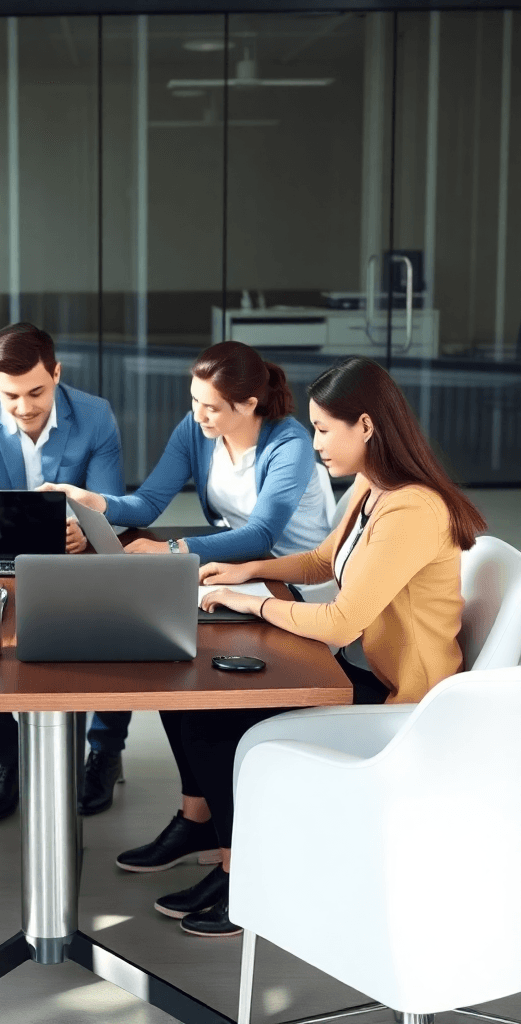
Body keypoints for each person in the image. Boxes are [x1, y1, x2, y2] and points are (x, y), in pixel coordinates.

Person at [154, 356, 486, 936]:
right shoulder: (373, 486)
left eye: (324, 430)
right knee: (198, 703)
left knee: (215, 721)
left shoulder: (412, 507)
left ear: (366, 426)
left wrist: (253, 602)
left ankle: (243, 881)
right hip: (361, 673)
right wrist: (245, 567)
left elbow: (338, 623)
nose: (314, 444)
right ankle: (231, 859)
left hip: (400, 703)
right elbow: (324, 560)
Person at [43, 340, 331, 823]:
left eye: (212, 407)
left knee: (184, 664)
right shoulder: (198, 430)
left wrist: (171, 551)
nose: (198, 414)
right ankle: (195, 817)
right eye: (194, 401)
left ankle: (204, 819)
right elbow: (151, 501)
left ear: (249, 406)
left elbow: (262, 533)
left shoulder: (289, 443)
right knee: (164, 647)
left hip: (292, 580)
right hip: (237, 571)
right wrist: (96, 502)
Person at [0, 322, 124, 821]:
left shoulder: (95, 416)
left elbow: (108, 504)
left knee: (119, 631)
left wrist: (84, 529)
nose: (23, 407)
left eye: (36, 392)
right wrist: (19, 528)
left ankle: (105, 752)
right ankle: (13, 759)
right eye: (10, 395)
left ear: (57, 373)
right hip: (6, 563)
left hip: (77, 562)